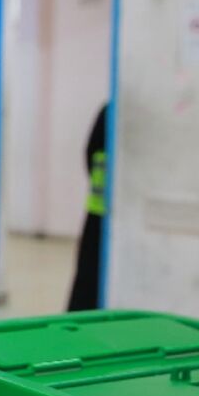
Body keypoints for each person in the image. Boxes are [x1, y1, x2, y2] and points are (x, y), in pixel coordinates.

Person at [67, 104, 108, 312]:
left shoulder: (108, 111)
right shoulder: (112, 112)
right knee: (89, 273)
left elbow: (89, 153)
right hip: (102, 211)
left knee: (88, 274)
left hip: (98, 209)